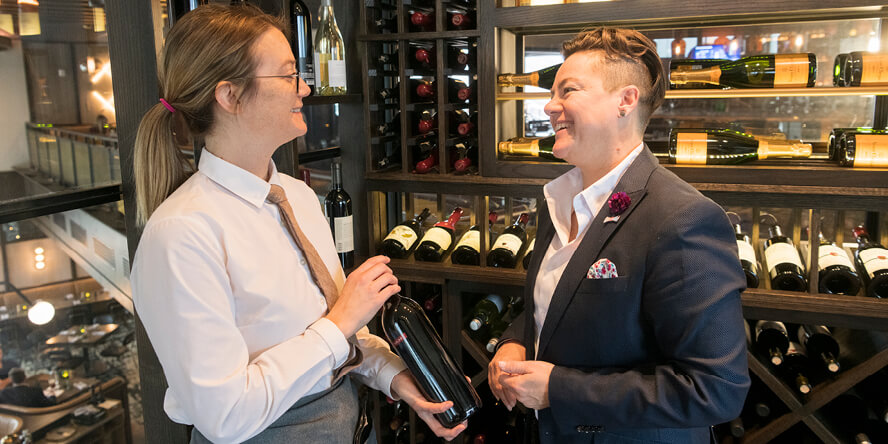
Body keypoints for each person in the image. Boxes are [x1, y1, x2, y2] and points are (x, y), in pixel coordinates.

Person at [130, 5, 465, 443]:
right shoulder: (180, 235)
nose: (304, 88)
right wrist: (340, 322)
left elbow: (343, 335)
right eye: (288, 75)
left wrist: (394, 377)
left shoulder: (299, 197)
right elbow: (225, 416)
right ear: (229, 95)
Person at [489, 28, 750, 444]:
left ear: (625, 101)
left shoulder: (682, 218)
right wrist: (513, 343)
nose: (550, 105)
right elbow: (561, 305)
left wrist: (560, 389)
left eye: (567, 90)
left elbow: (715, 388)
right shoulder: (556, 200)